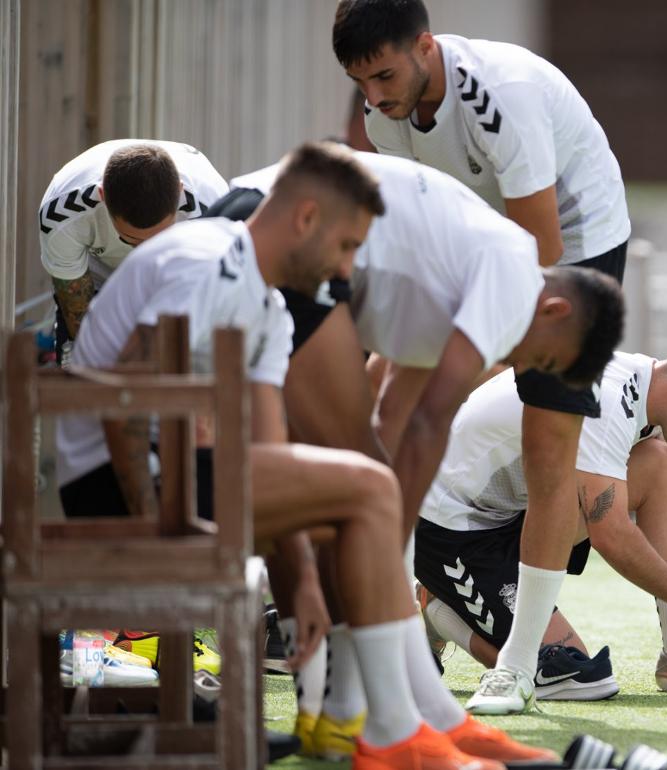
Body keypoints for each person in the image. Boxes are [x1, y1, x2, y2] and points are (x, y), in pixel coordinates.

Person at [57, 141, 556, 770]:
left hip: (178, 471)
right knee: (372, 488)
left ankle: (359, 720)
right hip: (113, 482)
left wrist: (306, 592)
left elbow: (268, 455)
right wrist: (155, 520)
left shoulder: (267, 309)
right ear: (306, 219)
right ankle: (393, 735)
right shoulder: (205, 258)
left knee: (345, 500)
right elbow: (130, 388)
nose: (346, 271)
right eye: (347, 247)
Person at [208, 149, 623, 752]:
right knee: (349, 487)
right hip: (282, 230)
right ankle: (376, 719)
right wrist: (383, 549)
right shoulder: (512, 274)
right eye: (542, 359)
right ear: (554, 310)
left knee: (343, 485)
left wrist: (381, 548)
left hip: (263, 224)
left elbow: (394, 414)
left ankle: (341, 712)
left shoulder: (455, 281)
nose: (521, 367)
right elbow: (430, 423)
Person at [332, 0, 631, 713]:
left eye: (383, 74)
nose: (375, 98)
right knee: (383, 411)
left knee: (548, 444)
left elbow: (540, 255)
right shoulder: (382, 117)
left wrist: (459, 361)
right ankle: (389, 628)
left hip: (573, 259)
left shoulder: (501, 95)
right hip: (480, 252)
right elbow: (419, 232)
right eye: (360, 82)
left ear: (426, 47)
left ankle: (521, 666)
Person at [415, 328, 667, 711]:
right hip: (453, 532)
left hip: (520, 514)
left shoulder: (653, 399)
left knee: (662, 463)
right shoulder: (606, 400)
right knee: (577, 678)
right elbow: (612, 534)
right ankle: (437, 607)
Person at [38, 139, 228, 365]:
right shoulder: (62, 214)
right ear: (103, 196)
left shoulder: (211, 214)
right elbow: (75, 306)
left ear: (179, 192)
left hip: (173, 278)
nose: (144, 253)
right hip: (99, 277)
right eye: (131, 239)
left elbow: (210, 299)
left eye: (159, 239)